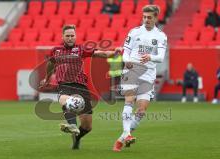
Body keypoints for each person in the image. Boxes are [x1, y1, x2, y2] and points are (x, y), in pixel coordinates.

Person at [39, 25, 121, 150]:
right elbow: (51, 64)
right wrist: (47, 78)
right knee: (66, 100)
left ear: (75, 36)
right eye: (67, 36)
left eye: (72, 36)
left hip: (81, 87)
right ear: (63, 37)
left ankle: (77, 137)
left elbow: (100, 53)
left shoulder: (81, 49)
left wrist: (113, 53)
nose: (70, 38)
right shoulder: (56, 50)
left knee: (87, 126)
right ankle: (72, 125)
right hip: (64, 85)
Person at [112, 5, 168, 152]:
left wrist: (150, 56)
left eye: (149, 17)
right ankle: (127, 135)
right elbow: (126, 51)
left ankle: (123, 136)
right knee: (129, 100)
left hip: (148, 74)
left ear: (156, 18)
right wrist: (127, 60)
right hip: (132, 70)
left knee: (141, 110)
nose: (146, 20)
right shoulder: (135, 32)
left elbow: (161, 58)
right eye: (144, 17)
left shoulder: (161, 36)